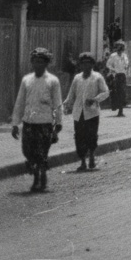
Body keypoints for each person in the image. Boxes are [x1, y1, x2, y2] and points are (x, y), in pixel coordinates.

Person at [11, 48, 63, 192]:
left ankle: (40, 179)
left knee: (41, 152)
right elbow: (20, 102)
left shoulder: (53, 81)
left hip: (45, 123)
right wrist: (15, 123)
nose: (38, 64)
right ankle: (37, 174)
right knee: (28, 151)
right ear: (32, 63)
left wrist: (58, 123)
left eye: (41, 61)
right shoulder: (27, 80)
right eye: (35, 61)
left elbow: (57, 103)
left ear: (46, 63)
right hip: (29, 122)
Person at [62, 52, 110, 171]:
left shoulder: (97, 77)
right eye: (83, 64)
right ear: (80, 65)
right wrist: (66, 105)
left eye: (88, 64)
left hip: (92, 112)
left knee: (91, 136)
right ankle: (83, 161)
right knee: (79, 137)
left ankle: (92, 157)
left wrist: (95, 99)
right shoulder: (77, 78)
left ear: (92, 65)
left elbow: (105, 92)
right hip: (78, 113)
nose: (86, 66)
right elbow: (71, 94)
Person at [106, 41, 129, 117]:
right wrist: (113, 70)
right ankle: (115, 106)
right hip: (115, 75)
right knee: (115, 92)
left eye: (122, 47)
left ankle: (121, 110)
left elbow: (127, 64)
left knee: (122, 92)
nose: (120, 49)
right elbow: (108, 64)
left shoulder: (124, 56)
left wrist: (126, 68)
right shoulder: (113, 56)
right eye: (119, 47)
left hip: (122, 75)